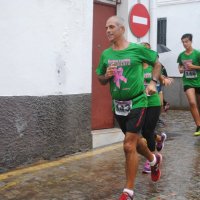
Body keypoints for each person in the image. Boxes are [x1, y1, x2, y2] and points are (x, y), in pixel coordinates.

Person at [96, 16, 162, 200]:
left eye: (111, 27)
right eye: (106, 27)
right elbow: (100, 79)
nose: (108, 30)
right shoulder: (106, 55)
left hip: (138, 102)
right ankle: (154, 160)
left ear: (122, 29)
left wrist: (153, 82)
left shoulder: (137, 49)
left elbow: (157, 63)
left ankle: (128, 192)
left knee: (127, 145)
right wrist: (106, 76)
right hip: (118, 106)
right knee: (137, 142)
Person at [141, 42, 169, 174]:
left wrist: (164, 79)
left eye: (146, 51)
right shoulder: (137, 68)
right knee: (143, 131)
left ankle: (151, 159)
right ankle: (159, 138)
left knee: (147, 131)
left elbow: (161, 78)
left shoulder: (154, 67)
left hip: (153, 103)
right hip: (140, 103)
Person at [177, 33, 200, 136]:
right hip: (187, 81)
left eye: (186, 41)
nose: (185, 44)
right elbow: (180, 67)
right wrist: (181, 69)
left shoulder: (197, 53)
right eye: (183, 42)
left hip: (198, 81)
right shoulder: (181, 55)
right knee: (192, 103)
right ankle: (198, 125)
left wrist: (193, 67)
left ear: (191, 41)